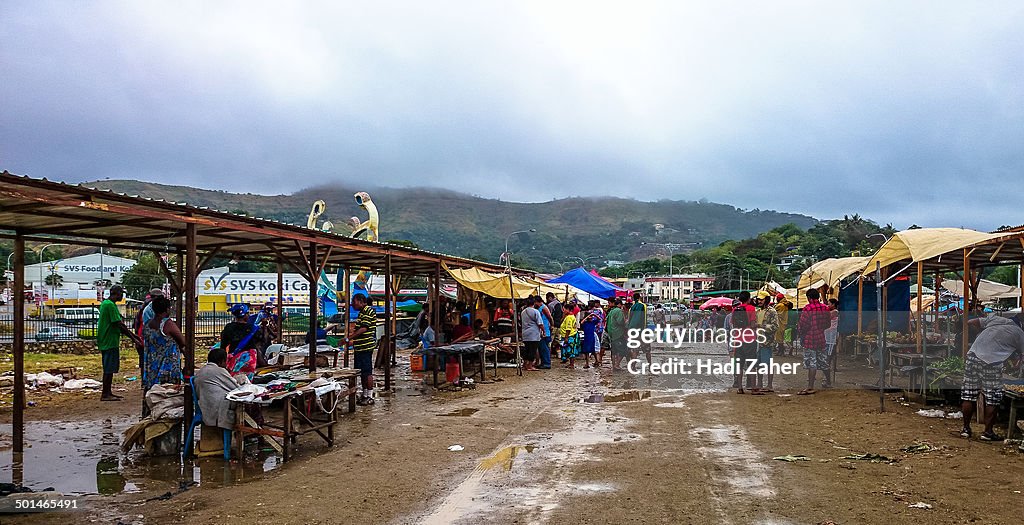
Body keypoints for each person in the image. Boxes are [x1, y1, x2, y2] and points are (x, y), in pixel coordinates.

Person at [960, 312, 1024, 441]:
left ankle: (966, 429)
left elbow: (970, 322)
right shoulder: (1019, 333)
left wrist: (981, 333)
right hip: (992, 362)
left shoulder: (995, 319)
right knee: (992, 398)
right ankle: (987, 432)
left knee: (969, 395)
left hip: (972, 357)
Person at [96, 285, 142, 401]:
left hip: (108, 339)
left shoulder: (106, 304)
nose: (122, 296)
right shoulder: (110, 305)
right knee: (109, 368)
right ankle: (105, 394)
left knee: (109, 367)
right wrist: (133, 337)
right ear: (116, 293)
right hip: (109, 340)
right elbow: (119, 324)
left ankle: (108, 392)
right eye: (121, 293)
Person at [142, 296, 186, 396]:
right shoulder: (168, 323)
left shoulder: (148, 324)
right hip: (167, 368)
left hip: (151, 367)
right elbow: (183, 342)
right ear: (167, 309)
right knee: (167, 394)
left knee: (152, 394)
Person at [195, 347, 240, 431]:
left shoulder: (201, 371)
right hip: (217, 407)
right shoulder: (219, 370)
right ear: (221, 361)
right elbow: (236, 387)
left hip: (205, 406)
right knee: (245, 405)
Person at [797, 289, 832, 394]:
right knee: (823, 361)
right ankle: (828, 381)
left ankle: (810, 386)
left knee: (812, 363)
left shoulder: (807, 309)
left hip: (809, 339)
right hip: (821, 338)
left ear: (809, 298)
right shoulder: (825, 308)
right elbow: (828, 324)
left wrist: (800, 331)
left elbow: (803, 325)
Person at [220, 304, 260, 381]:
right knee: (247, 381)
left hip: (234, 359)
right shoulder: (252, 328)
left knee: (234, 380)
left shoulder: (229, 327)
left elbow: (223, 345)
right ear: (245, 315)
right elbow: (261, 341)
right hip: (249, 360)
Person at [351, 294, 378, 405]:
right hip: (360, 347)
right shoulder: (362, 312)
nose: (353, 304)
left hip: (365, 347)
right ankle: (365, 394)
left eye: (354, 301)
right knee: (362, 372)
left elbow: (363, 328)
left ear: (361, 301)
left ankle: (370, 396)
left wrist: (349, 338)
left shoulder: (368, 311)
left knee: (367, 372)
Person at [754, 294, 779, 393]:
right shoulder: (758, 311)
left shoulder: (772, 311)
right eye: (758, 300)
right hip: (758, 341)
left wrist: (760, 326)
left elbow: (775, 326)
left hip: (767, 342)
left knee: (768, 364)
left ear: (766, 300)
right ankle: (759, 383)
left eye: (761, 300)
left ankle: (769, 385)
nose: (759, 301)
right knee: (759, 364)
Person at [520, 298, 544, 371]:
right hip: (534, 334)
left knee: (527, 349)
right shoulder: (535, 311)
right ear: (534, 303)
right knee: (532, 350)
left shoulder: (523, 312)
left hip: (525, 333)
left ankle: (525, 364)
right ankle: (530, 365)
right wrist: (544, 331)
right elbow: (540, 323)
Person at [627, 292, 650, 364]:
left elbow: (629, 320)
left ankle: (633, 366)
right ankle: (650, 366)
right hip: (642, 331)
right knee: (647, 350)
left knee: (634, 349)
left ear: (633, 298)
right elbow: (644, 319)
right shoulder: (643, 306)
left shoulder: (631, 308)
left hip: (632, 331)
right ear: (640, 297)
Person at [605, 298, 628, 371]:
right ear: (619, 304)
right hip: (618, 333)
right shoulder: (618, 311)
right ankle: (617, 365)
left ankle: (614, 365)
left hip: (611, 334)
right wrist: (626, 321)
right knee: (623, 350)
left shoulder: (611, 311)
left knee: (614, 351)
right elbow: (620, 322)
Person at [535, 296, 554, 369]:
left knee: (544, 348)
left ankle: (547, 363)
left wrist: (552, 325)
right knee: (541, 348)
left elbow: (550, 317)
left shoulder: (544, 308)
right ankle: (543, 362)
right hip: (541, 330)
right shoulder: (539, 308)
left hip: (545, 330)